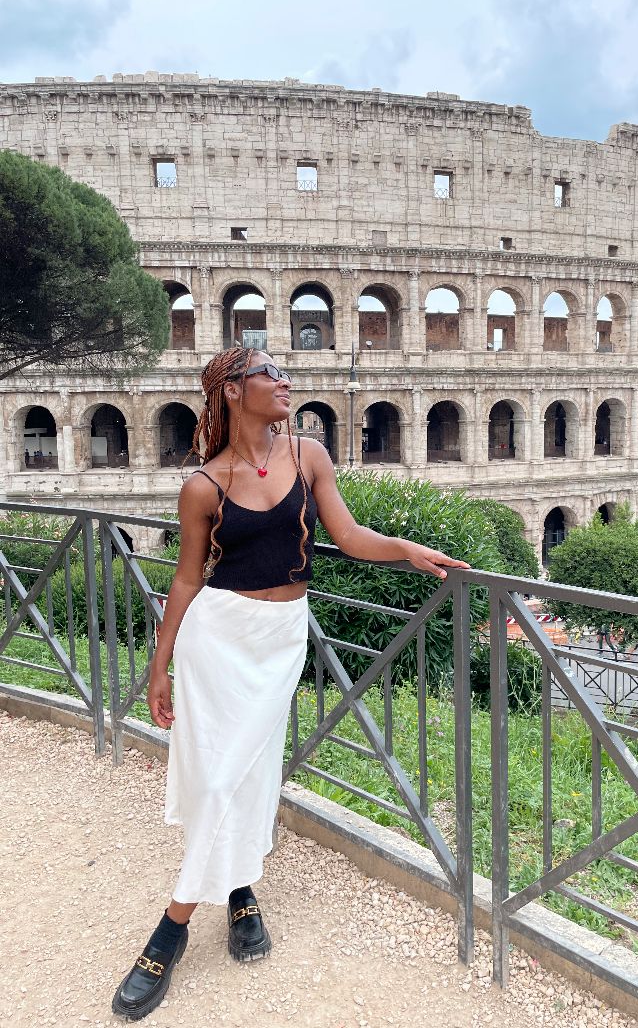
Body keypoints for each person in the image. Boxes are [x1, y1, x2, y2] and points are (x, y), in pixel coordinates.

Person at [112, 345, 468, 1021]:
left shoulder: (309, 455)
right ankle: (178, 925)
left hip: (279, 642)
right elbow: (186, 579)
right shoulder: (203, 485)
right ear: (231, 391)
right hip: (217, 638)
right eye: (269, 374)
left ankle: (229, 895)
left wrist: (406, 550)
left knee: (250, 772)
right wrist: (159, 666)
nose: (285, 381)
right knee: (221, 779)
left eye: (283, 372)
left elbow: (350, 534)